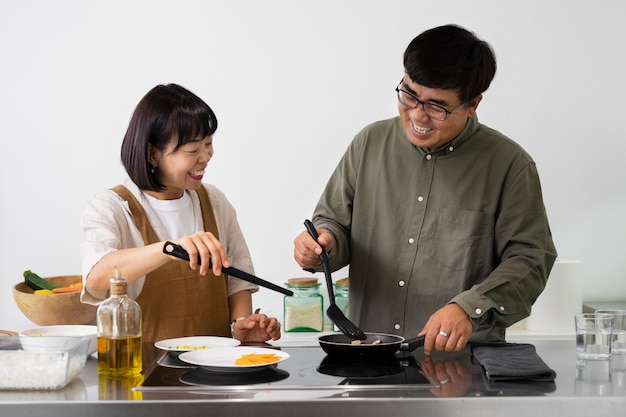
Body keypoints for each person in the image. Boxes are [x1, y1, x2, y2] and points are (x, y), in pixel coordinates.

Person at [293, 24, 557, 355]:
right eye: (409, 94)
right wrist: (323, 243)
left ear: (472, 104)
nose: (417, 115)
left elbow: (531, 258)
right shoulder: (369, 143)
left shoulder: (510, 165)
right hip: (368, 355)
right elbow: (333, 223)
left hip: (462, 365)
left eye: (437, 106)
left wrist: (469, 308)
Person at [80, 83, 281, 343]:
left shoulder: (215, 201)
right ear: (153, 154)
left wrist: (241, 326)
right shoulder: (112, 206)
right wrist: (169, 249)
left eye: (208, 144)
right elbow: (96, 279)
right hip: (145, 375)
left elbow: (238, 281)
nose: (206, 156)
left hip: (214, 372)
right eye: (192, 150)